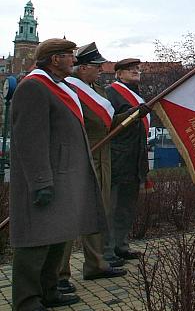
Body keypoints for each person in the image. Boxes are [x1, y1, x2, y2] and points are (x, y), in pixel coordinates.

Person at [10, 39, 105, 310]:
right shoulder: (33, 87)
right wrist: (41, 182)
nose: (74, 61)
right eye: (69, 56)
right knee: (35, 242)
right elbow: (30, 140)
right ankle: (27, 301)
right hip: (46, 178)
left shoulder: (56, 87)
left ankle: (49, 291)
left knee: (57, 237)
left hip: (63, 177)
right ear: (55, 59)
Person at [56, 43, 127, 293]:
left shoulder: (97, 90)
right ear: (82, 67)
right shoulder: (68, 89)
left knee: (98, 212)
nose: (100, 71)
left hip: (101, 156)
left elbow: (106, 123)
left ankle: (96, 264)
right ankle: (59, 275)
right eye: (96, 67)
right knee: (70, 216)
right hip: (80, 156)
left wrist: (131, 116)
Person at [105, 58, 150, 261]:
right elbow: (110, 124)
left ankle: (121, 245)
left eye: (137, 69)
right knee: (113, 207)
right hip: (118, 157)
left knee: (126, 207)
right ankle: (108, 250)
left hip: (135, 157)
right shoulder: (111, 93)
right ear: (119, 73)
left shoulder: (136, 94)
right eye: (130, 69)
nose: (136, 71)